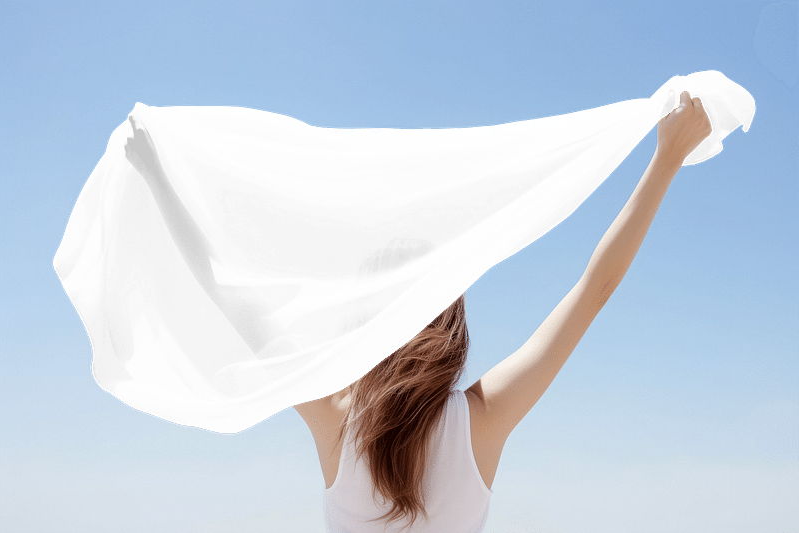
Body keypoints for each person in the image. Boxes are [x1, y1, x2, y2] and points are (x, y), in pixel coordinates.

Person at [294, 90, 713, 532]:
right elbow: (596, 289)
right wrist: (667, 157)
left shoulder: (335, 416)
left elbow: (242, 321)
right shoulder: (482, 417)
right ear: (452, 328)